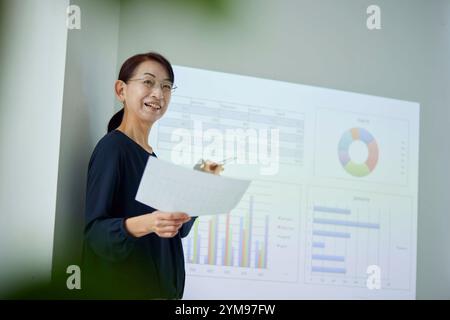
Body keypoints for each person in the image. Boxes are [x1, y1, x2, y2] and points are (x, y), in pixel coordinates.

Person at [82, 52, 222, 299]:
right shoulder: (113, 148)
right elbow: (96, 235)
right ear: (121, 90)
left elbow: (177, 229)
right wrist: (149, 223)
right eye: (148, 82)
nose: (158, 93)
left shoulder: (151, 158)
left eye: (166, 86)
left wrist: (201, 183)